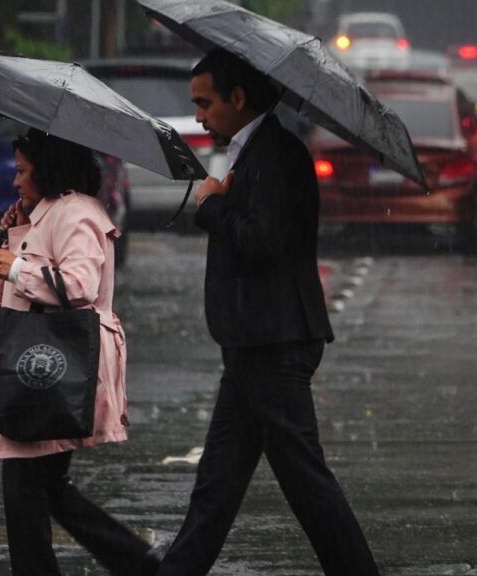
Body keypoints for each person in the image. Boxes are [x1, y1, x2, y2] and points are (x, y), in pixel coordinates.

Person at [153, 49, 380, 575]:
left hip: (273, 344)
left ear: (239, 97)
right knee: (216, 490)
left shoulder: (276, 154)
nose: (200, 116)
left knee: (306, 485)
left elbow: (264, 243)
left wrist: (210, 206)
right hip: (252, 344)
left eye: (205, 103)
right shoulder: (253, 153)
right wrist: (221, 200)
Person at [0, 128, 160, 576]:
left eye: (22, 171)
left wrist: (16, 266)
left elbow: (77, 286)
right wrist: (18, 233)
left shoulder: (77, 213)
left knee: (26, 494)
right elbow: (32, 281)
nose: (15, 182)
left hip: (51, 368)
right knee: (47, 490)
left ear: (47, 169)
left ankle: (137, 563)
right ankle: (138, 563)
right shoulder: (52, 210)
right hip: (40, 366)